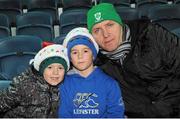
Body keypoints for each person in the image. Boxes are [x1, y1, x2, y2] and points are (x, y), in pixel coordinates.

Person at [87, 3, 180, 117]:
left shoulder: (152, 35)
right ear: (92, 37)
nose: (106, 34)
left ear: (120, 24)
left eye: (110, 25)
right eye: (97, 30)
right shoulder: (97, 65)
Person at [58, 27, 124, 118]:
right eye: (75, 52)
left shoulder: (110, 83)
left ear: (93, 54)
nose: (80, 56)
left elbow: (116, 113)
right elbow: (64, 115)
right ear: (70, 58)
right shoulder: (64, 83)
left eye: (85, 51)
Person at [0, 44, 70, 118]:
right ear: (42, 70)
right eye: (50, 67)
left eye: (60, 68)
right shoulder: (24, 85)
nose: (55, 72)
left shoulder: (66, 87)